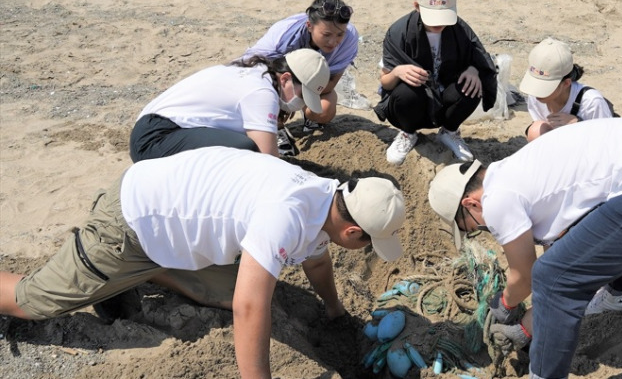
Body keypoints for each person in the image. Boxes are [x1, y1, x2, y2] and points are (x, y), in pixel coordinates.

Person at [0, 146, 407, 379]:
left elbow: (316, 263)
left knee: (231, 290)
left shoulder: (325, 196)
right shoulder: (285, 215)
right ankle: (129, 269)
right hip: (130, 224)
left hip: (170, 221)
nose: (366, 249)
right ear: (352, 232)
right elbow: (251, 308)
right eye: (370, 243)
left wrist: (335, 311)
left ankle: (151, 271)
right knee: (31, 301)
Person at [428, 118, 622, 379]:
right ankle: (619, 297)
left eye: (472, 227)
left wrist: (503, 306)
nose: (482, 229)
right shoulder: (517, 171)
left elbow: (529, 277)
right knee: (566, 264)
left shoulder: (496, 199)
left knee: (551, 277)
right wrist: (529, 324)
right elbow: (564, 260)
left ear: (471, 204)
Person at [374, 0, 498, 165]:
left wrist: (474, 70)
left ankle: (449, 132)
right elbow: (385, 82)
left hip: (446, 97)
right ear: (417, 7)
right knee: (405, 93)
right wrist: (398, 72)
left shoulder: (460, 30)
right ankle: (408, 134)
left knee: (473, 85)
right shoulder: (399, 32)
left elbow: (480, 60)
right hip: (415, 101)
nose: (439, 23)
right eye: (432, 17)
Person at [129, 49, 330, 162]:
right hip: (154, 140)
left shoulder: (257, 70)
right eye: (302, 96)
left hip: (155, 130)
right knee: (248, 150)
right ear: (285, 79)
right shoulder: (262, 92)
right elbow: (268, 159)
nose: (300, 104)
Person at [243, 0, 359, 133]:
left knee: (324, 111)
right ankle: (274, 127)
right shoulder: (283, 38)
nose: (333, 41)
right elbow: (253, 74)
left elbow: (331, 83)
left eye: (339, 34)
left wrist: (298, 100)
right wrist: (283, 102)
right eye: (326, 34)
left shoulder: (349, 38)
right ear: (309, 26)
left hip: (310, 83)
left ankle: (309, 118)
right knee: (266, 96)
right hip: (275, 79)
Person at [521, 37, 614, 142]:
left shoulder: (592, 102)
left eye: (544, 87)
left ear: (566, 83)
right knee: (535, 131)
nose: (537, 92)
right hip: (560, 145)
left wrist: (578, 124)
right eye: (536, 84)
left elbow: (606, 140)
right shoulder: (535, 95)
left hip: (587, 146)